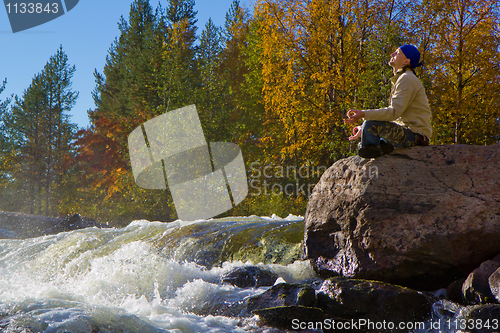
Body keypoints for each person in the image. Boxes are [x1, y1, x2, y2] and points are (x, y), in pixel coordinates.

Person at [344, 45, 432, 158]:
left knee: (370, 125)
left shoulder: (407, 78)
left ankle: (378, 150)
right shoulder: (403, 79)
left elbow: (393, 113)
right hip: (409, 134)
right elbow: (397, 117)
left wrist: (364, 115)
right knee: (368, 127)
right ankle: (380, 148)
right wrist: (365, 129)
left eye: (397, 53)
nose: (392, 55)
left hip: (415, 137)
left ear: (406, 61)